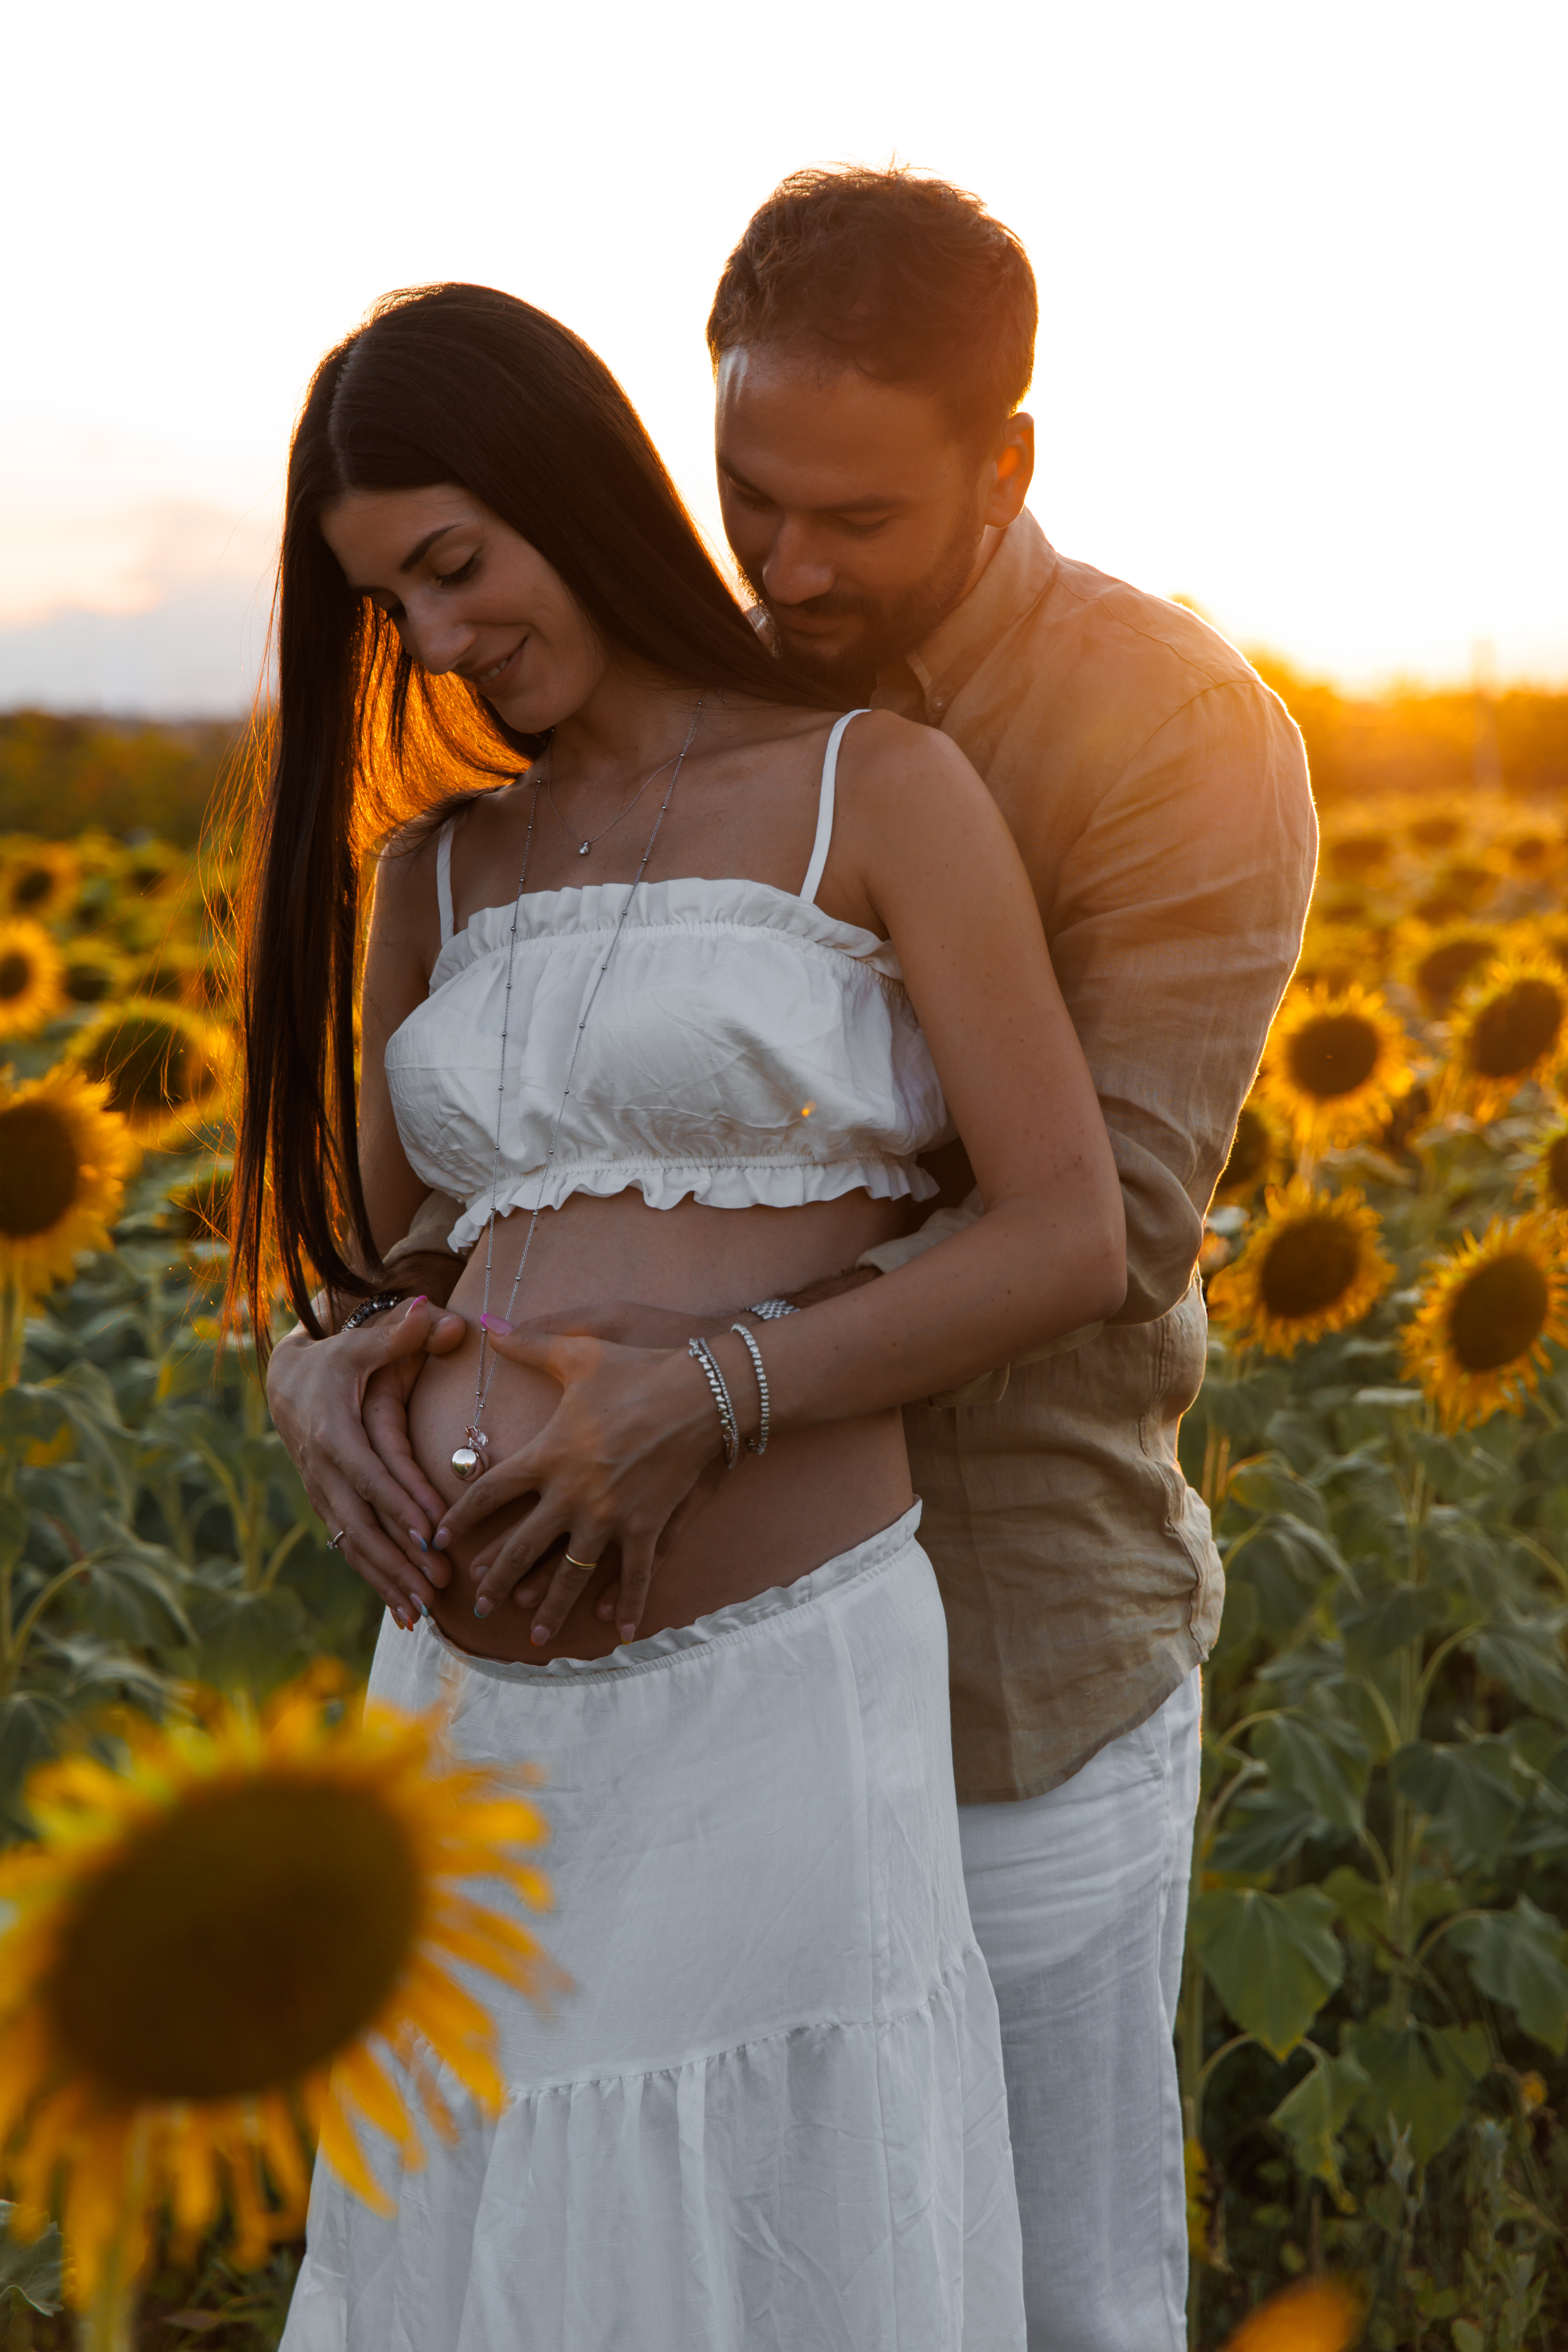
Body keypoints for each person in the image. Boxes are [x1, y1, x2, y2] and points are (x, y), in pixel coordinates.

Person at [268, 175, 1317, 2350]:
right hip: (532, 1701)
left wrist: (684, 1385)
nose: (795, 564)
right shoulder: (461, 848)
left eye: (855, 515)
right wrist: (330, 1361)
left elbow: (1087, 1228)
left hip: (996, 1630)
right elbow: (378, 1235)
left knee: (1018, 2287)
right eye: (753, 498)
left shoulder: (1146, 737)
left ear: (1000, 467)